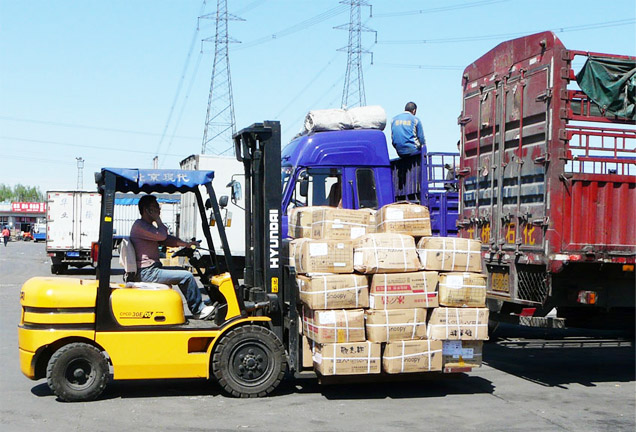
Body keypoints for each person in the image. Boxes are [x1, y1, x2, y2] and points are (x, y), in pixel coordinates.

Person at [130, 195, 215, 320]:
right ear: (147, 210)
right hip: (148, 272)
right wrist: (158, 219)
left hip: (151, 270)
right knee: (187, 276)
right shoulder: (140, 226)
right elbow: (162, 236)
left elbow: (166, 240)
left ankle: (202, 305)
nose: (159, 210)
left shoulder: (147, 227)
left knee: (183, 274)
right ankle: (198, 310)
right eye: (156, 207)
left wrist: (186, 244)